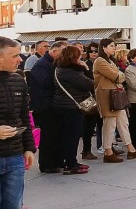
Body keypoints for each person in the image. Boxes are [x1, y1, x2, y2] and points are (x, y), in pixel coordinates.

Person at [0, 37, 35, 209]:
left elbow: (24, 116)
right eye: (14, 55)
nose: (20, 59)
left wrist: (28, 147)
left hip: (13, 157)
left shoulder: (18, 80)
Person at [94, 38, 136, 163]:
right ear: (103, 47)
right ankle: (108, 151)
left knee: (123, 122)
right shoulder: (100, 61)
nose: (114, 48)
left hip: (116, 95)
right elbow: (116, 76)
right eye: (111, 46)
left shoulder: (110, 60)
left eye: (114, 45)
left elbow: (119, 75)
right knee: (109, 124)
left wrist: (119, 75)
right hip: (106, 96)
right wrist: (119, 75)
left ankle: (130, 148)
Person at [51, 45, 93, 176]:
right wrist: (86, 69)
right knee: (72, 137)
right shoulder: (69, 72)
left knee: (68, 136)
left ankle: (70, 162)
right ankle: (71, 164)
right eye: (79, 55)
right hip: (71, 107)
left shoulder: (61, 68)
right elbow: (89, 84)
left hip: (64, 105)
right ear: (73, 57)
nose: (81, 58)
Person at [27, 41, 66, 172]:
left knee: (57, 134)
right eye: (62, 52)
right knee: (48, 136)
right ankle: (46, 164)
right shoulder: (41, 64)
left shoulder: (54, 63)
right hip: (44, 106)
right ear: (54, 51)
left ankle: (57, 161)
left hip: (53, 104)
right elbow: (46, 82)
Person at [80, 44, 102, 160]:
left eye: (96, 51)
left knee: (102, 123)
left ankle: (105, 146)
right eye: (91, 51)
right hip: (88, 98)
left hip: (100, 96)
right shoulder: (84, 65)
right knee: (89, 125)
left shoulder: (100, 63)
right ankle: (86, 150)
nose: (94, 53)